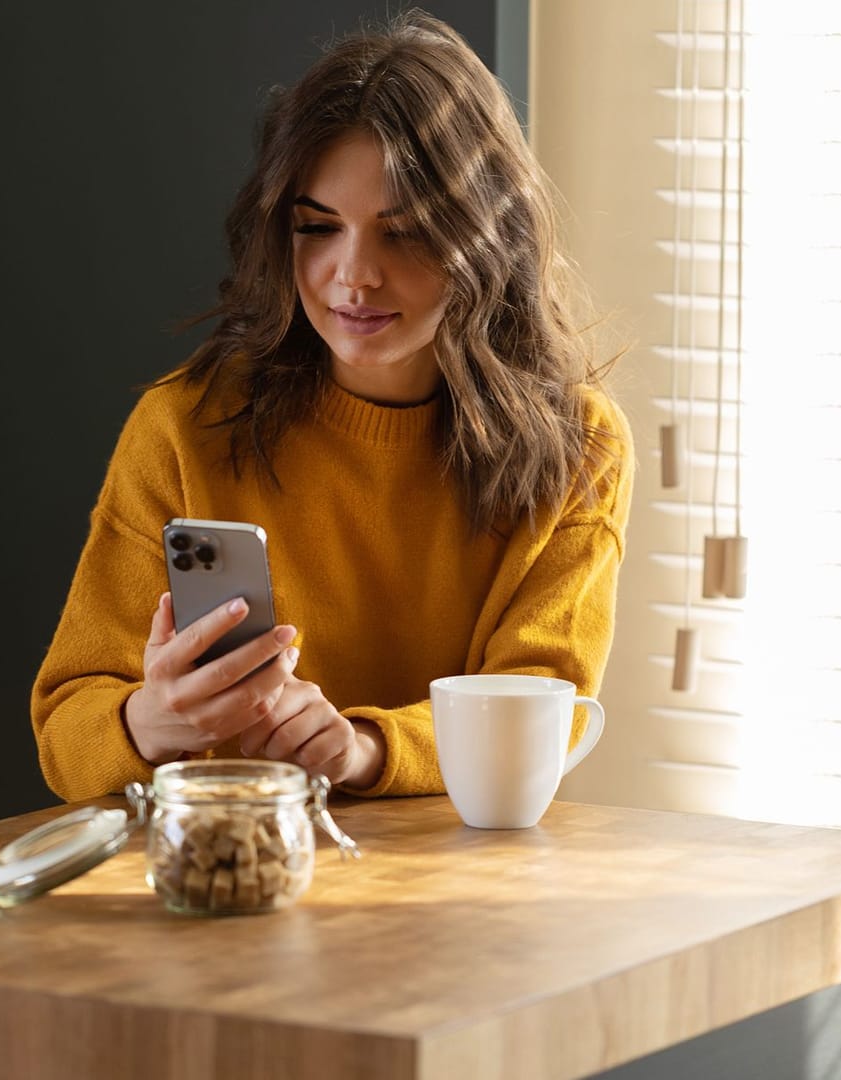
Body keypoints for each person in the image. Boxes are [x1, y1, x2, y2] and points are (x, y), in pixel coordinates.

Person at [31, 10, 631, 801]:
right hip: (232, 879)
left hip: (456, 893)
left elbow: (547, 710)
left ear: (485, 237)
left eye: (404, 232)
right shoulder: (184, 428)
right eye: (319, 228)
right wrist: (152, 721)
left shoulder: (578, 445)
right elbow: (67, 734)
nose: (353, 277)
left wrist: (363, 749)